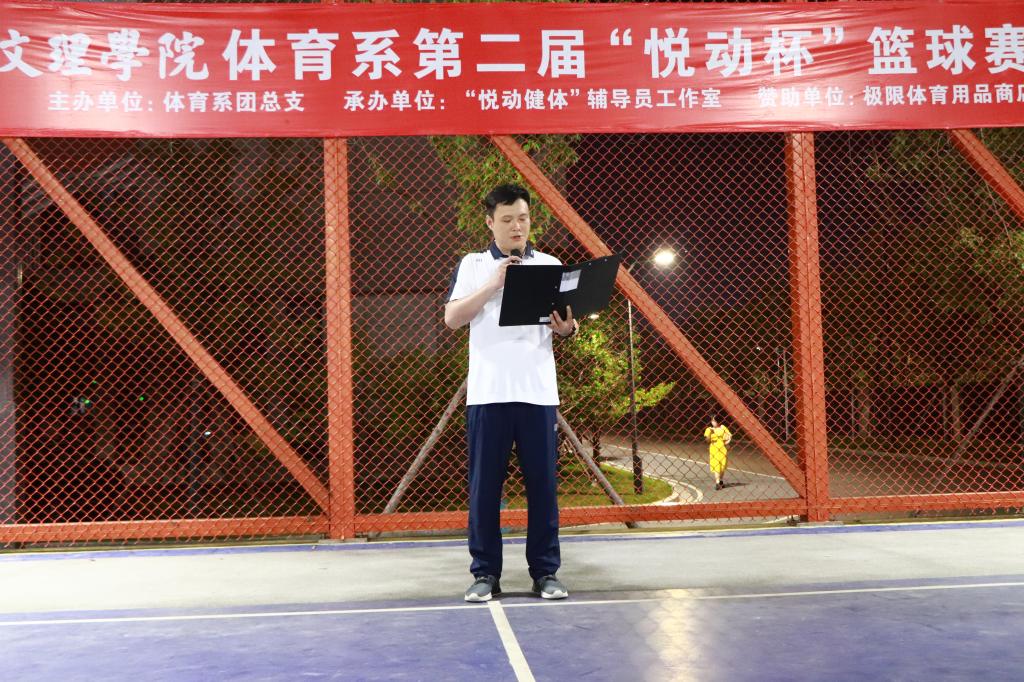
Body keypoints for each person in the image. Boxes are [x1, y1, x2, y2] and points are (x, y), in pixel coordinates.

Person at [444, 183, 579, 603]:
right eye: (507, 220)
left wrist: (568, 328)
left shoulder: (550, 264)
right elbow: (452, 318)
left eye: (522, 218)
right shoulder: (473, 264)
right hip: (488, 394)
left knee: (543, 489)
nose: (517, 226)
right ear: (490, 223)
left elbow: (567, 321)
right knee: (485, 490)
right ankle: (485, 573)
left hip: (538, 392)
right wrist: (494, 284)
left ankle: (546, 573)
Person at [704, 416, 732, 490]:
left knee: (722, 465)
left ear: (718, 421)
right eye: (712, 421)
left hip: (723, 448)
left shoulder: (723, 427)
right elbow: (707, 440)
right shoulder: (709, 429)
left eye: (714, 421)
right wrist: (710, 433)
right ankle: (717, 483)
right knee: (716, 465)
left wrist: (727, 442)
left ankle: (721, 481)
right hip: (714, 448)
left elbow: (730, 435)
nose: (713, 422)